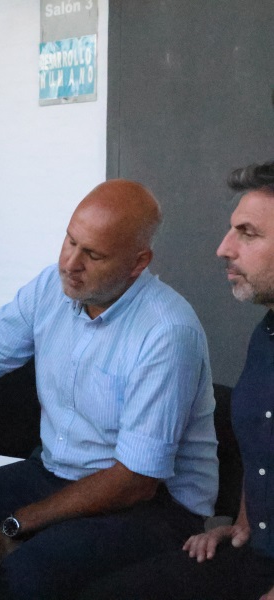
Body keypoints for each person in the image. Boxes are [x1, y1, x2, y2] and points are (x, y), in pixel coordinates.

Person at [0, 179, 219, 599]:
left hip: (154, 505)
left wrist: (21, 521)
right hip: (53, 473)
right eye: (70, 241)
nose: (70, 263)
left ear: (139, 263)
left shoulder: (166, 331)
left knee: (27, 572)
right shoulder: (49, 289)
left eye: (93, 254)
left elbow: (136, 480)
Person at [78, 162, 274, 600]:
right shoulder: (266, 334)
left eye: (248, 233)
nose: (224, 248)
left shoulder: (171, 328)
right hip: (257, 553)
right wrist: (245, 524)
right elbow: (264, 446)